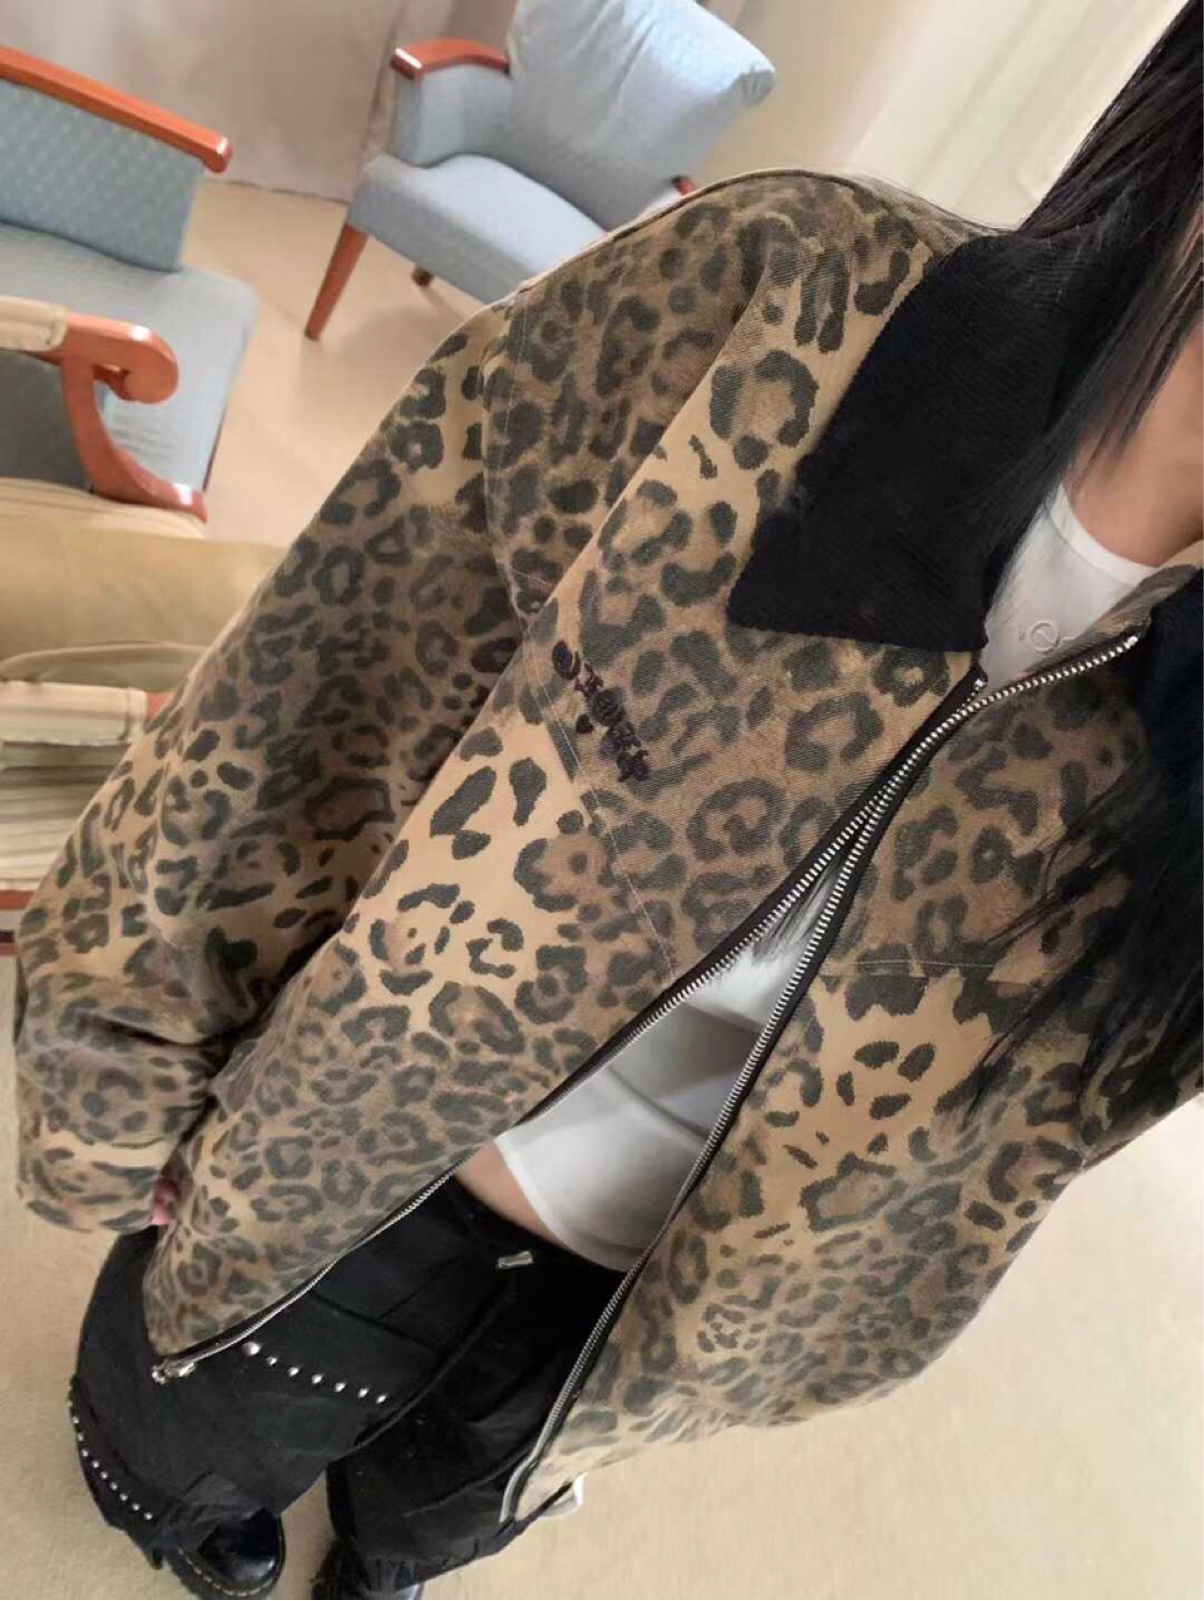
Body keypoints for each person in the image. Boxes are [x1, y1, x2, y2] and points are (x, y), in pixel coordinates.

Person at [13, 5, 1201, 1598]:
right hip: (349, 1159)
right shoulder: (787, 303)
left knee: (427, 1518)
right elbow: (303, 705)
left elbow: (1049, 1137)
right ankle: (201, 1516)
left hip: (641, 1327)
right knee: (182, 1451)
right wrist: (119, 1086)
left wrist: (775, 1353)